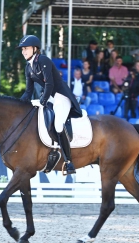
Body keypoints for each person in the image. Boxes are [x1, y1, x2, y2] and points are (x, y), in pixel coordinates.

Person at [18, 35, 82, 174]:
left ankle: (69, 161)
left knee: (58, 125)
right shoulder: (28, 68)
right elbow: (28, 92)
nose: (23, 52)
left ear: (35, 49)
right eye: (22, 49)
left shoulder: (43, 60)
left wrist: (43, 100)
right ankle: (52, 151)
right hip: (49, 98)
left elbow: (49, 83)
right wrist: (18, 104)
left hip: (60, 96)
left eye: (26, 49)